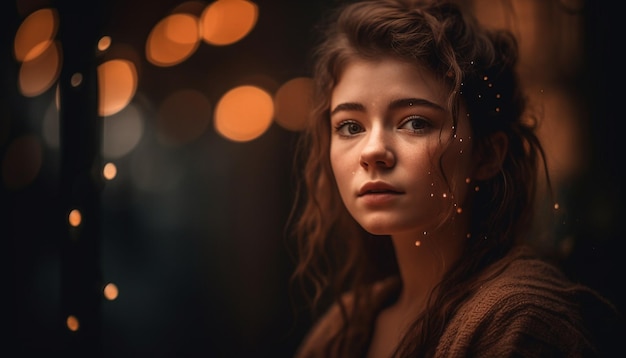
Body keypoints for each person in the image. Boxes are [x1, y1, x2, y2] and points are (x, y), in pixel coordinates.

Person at [287, 0, 624, 357]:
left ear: (487, 154)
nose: (372, 152)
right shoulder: (344, 329)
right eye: (351, 126)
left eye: (416, 122)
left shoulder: (522, 324)